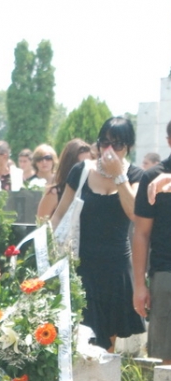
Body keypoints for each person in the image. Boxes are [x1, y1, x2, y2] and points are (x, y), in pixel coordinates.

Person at [51, 117, 145, 351]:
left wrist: (119, 176)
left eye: (118, 144)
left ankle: (105, 375)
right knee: (81, 337)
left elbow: (134, 213)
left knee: (106, 344)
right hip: (81, 265)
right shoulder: (81, 170)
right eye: (104, 143)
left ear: (128, 147)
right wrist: (50, 251)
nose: (109, 150)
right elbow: (59, 214)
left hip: (115, 268)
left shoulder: (135, 175)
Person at [132, 120, 171, 363]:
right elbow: (141, 233)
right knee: (166, 362)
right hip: (166, 274)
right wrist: (139, 285)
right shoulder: (151, 177)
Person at [37, 138, 92, 220]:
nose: (85, 169)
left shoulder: (94, 191)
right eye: (81, 166)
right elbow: (41, 222)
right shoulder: (54, 194)